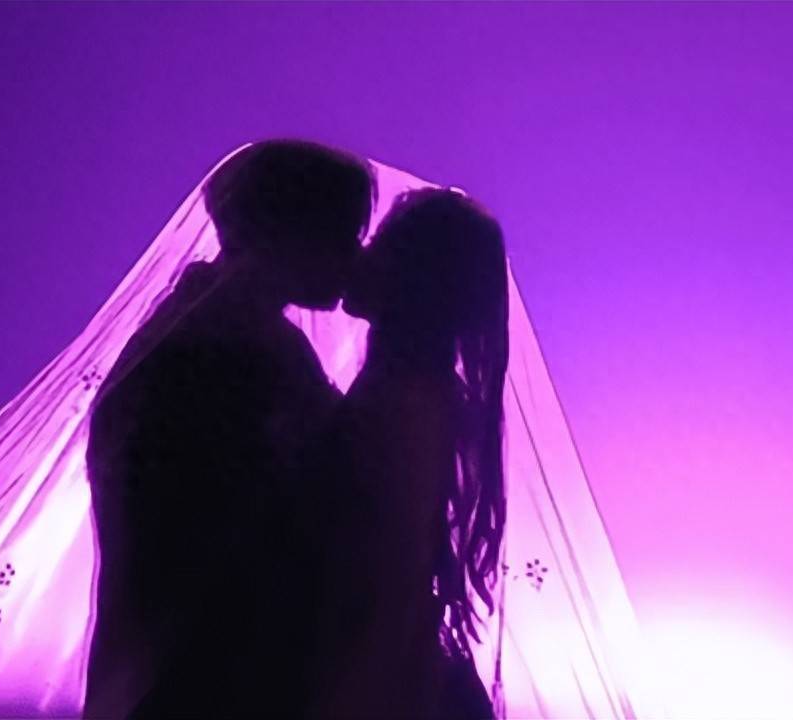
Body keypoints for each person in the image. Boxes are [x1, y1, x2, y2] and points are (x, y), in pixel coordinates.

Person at [82, 139, 374, 719]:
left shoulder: (218, 334)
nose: (356, 256)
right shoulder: (220, 355)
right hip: (210, 683)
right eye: (344, 234)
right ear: (293, 234)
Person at [301, 188, 509, 719]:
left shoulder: (410, 401)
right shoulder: (403, 386)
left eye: (381, 244)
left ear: (417, 278)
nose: (360, 254)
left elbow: (396, 581)